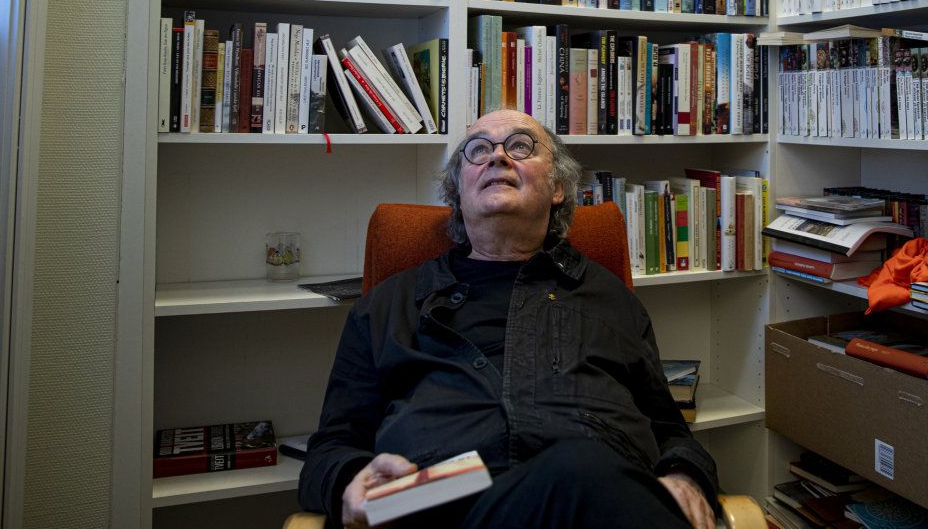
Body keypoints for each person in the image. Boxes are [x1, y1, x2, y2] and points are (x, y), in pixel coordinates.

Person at [299, 109, 718, 529]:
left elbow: (669, 428)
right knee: (577, 467)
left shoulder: (611, 299)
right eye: (478, 150)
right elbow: (330, 448)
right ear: (458, 191)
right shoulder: (389, 304)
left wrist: (686, 475)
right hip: (435, 500)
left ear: (557, 187)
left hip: (600, 499)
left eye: (520, 146)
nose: (497, 156)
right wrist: (349, 484)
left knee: (579, 469)